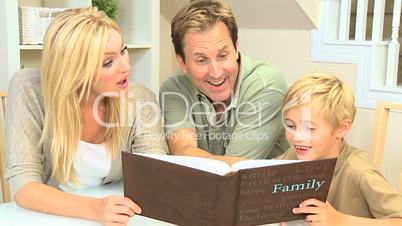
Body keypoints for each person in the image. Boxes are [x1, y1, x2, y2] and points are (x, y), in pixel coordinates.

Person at [5, 7, 167, 226]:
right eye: (108, 62)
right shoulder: (29, 89)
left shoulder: (139, 99)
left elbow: (158, 173)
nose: (126, 66)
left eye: (123, 50)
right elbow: (23, 186)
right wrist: (95, 209)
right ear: (75, 72)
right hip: (47, 217)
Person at [160, 0, 289, 165]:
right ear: (183, 62)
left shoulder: (267, 86)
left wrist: (195, 158)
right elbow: (182, 152)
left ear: (236, 48)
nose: (216, 72)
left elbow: (234, 170)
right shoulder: (174, 89)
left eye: (222, 56)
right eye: (201, 60)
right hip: (206, 188)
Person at [278, 72, 402, 225]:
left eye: (309, 128)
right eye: (290, 126)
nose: (296, 137)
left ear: (341, 129)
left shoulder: (360, 172)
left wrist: (340, 220)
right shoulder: (294, 154)